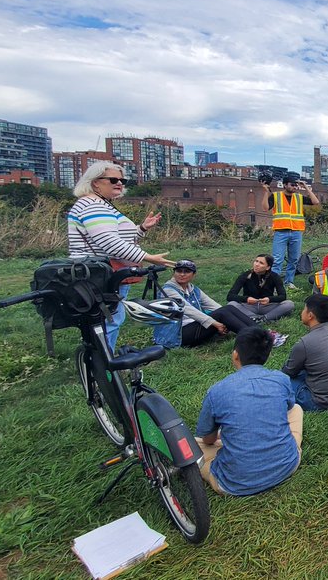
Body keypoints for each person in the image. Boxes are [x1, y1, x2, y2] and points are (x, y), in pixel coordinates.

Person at [67, 161, 174, 353]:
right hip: (100, 275)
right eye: (113, 179)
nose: (119, 183)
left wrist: (141, 229)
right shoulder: (93, 205)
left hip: (107, 273)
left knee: (111, 318)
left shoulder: (101, 204)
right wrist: (148, 257)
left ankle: (101, 363)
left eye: (122, 180)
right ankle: (102, 369)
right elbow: (109, 242)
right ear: (95, 182)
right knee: (108, 320)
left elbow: (118, 238)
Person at [195, 327, 302, 496]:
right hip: (287, 466)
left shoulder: (217, 391)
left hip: (232, 483)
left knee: (191, 445)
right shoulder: (281, 379)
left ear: (235, 354)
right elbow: (288, 408)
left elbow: (208, 439)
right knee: (296, 409)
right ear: (268, 354)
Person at [280, 294, 328, 412]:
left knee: (280, 381)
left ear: (310, 315)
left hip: (321, 401)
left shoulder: (305, 343)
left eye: (304, 309)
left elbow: (288, 372)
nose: (302, 312)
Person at [156, 260, 255, 348]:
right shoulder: (168, 290)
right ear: (174, 273)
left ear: (193, 275)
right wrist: (214, 323)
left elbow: (213, 305)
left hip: (193, 326)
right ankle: (255, 337)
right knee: (222, 313)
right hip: (177, 335)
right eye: (179, 271)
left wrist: (226, 321)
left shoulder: (193, 289)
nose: (182, 274)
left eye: (186, 271)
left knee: (228, 308)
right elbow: (187, 309)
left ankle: (261, 332)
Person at [262, 175, 319, 288]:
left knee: (293, 260)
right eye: (292, 185)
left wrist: (306, 188)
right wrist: (265, 192)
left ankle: (289, 282)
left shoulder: (298, 197)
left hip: (296, 232)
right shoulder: (276, 196)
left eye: (296, 185)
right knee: (277, 260)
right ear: (285, 185)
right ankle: (274, 284)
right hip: (281, 232)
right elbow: (265, 207)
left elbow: (315, 202)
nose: (295, 187)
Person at [227, 254, 297, 323]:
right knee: (231, 304)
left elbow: (282, 296)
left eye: (261, 263)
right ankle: (256, 318)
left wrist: (269, 299)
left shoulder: (274, 276)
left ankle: (264, 318)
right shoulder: (245, 275)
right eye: (256, 261)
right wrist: (246, 299)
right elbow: (230, 296)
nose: (256, 264)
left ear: (268, 267)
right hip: (249, 306)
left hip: (267, 306)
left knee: (289, 304)